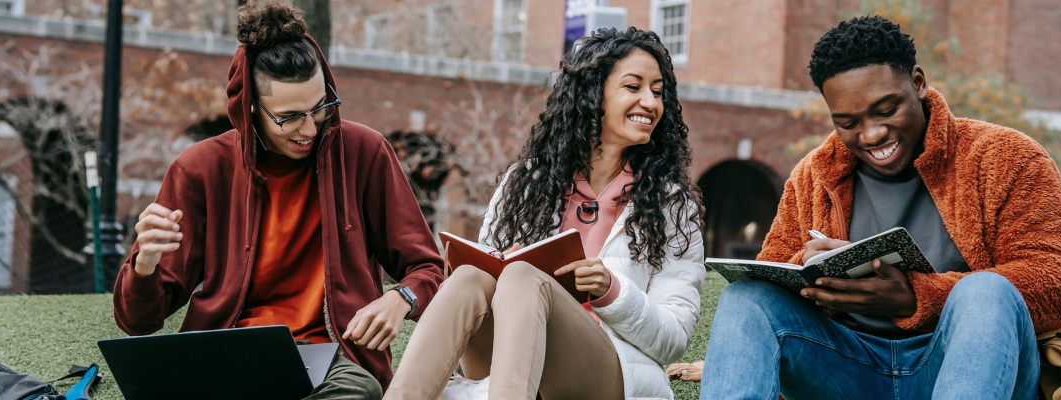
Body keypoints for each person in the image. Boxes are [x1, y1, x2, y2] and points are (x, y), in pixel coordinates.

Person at [700, 15, 1061, 399]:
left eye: (885, 110)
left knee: (986, 292)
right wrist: (805, 265)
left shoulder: (1007, 158)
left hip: (964, 365)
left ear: (918, 83)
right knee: (747, 298)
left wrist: (918, 296)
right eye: (848, 122)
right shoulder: (813, 175)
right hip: (847, 367)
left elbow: (1056, 283)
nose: (871, 134)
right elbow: (773, 277)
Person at [111, 1, 445, 396]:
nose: (310, 127)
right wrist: (145, 265)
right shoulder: (199, 169)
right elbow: (138, 322)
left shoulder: (364, 152)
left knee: (358, 394)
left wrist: (401, 298)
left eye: (320, 106)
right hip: (227, 349)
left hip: (334, 356)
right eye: (290, 116)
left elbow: (428, 267)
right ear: (250, 108)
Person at [385, 27, 706, 400]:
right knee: (470, 278)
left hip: (607, 372)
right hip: (505, 356)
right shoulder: (525, 181)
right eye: (633, 87)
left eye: (657, 91)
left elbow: (674, 339)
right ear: (591, 94)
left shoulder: (670, 204)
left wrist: (612, 291)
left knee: (524, 275)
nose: (650, 103)